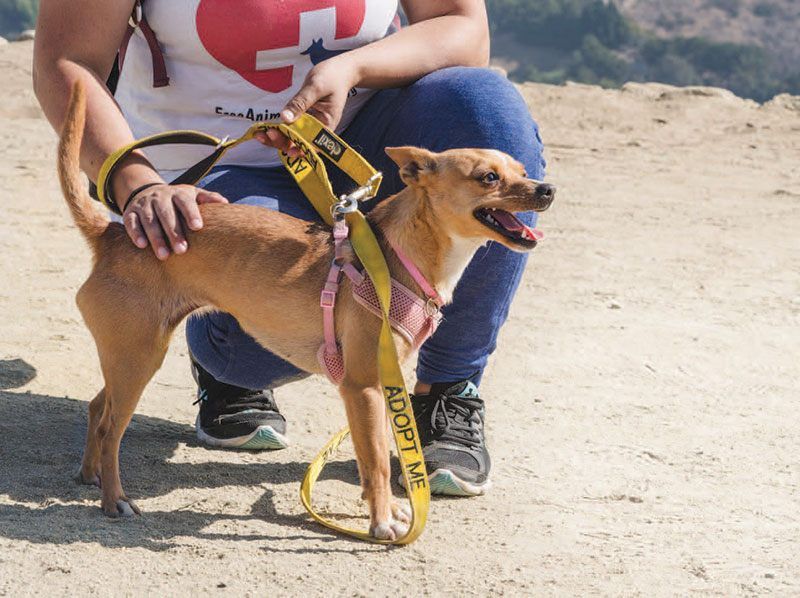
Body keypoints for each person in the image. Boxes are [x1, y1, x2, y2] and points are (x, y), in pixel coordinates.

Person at [33, 0, 546, 497]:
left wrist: (351, 69)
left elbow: (462, 26)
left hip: (358, 147)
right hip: (205, 178)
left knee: (487, 108)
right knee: (250, 333)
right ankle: (227, 374)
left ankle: (446, 392)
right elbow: (69, 58)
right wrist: (135, 181)